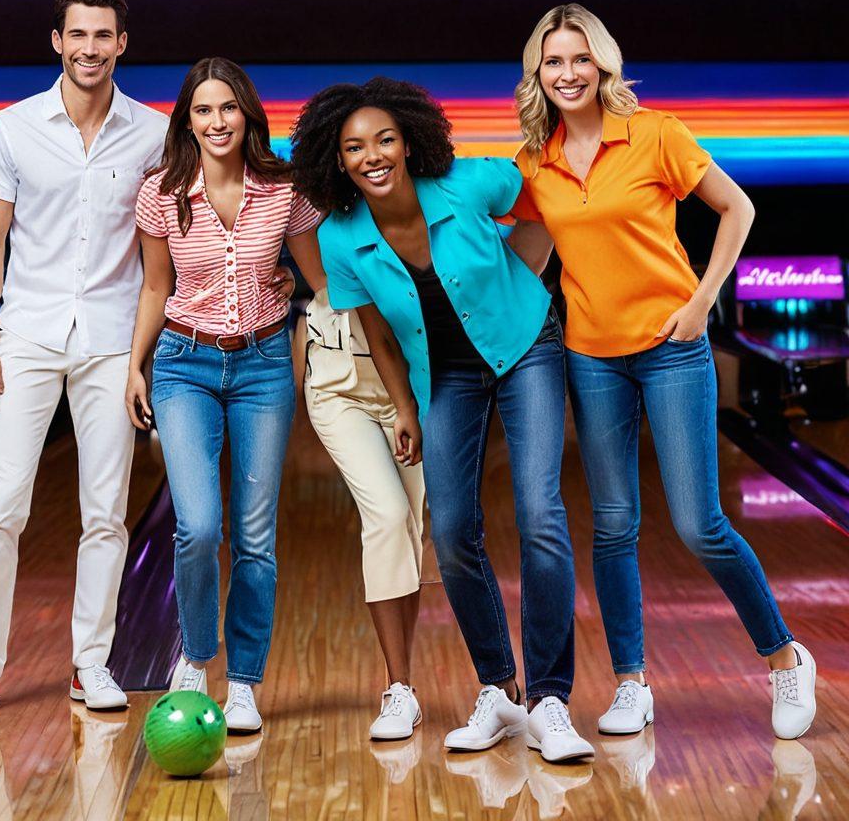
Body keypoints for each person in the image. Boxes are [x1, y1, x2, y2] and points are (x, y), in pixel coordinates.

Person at [511, 2, 817, 740]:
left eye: (580, 58)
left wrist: (702, 302)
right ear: (537, 74)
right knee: (613, 525)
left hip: (672, 347)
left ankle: (785, 658)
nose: (568, 73)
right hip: (591, 354)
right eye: (554, 62)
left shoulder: (654, 134)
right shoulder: (534, 162)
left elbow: (737, 209)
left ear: (603, 64)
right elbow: (529, 257)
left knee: (698, 523)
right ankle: (631, 684)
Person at [290, 78, 594, 763]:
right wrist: (404, 407)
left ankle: (550, 700)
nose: (373, 156)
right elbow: (376, 330)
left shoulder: (466, 183)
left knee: (539, 512)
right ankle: (499, 690)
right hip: (447, 376)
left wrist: (525, 274)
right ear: (337, 160)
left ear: (409, 143)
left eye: (385, 140)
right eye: (355, 147)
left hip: (525, 349)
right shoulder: (340, 238)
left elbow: (543, 200)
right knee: (453, 530)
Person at [0, 0, 166, 725]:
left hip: (111, 339)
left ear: (121, 43)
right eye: (78, 35)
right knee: (2, 506)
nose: (90, 49)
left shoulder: (155, 134)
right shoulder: (12, 127)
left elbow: (159, 254)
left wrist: (143, 357)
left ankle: (90, 664)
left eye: (103, 36)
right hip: (28, 335)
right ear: (57, 41)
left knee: (106, 513)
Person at [126, 57, 323, 734]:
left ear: (248, 115)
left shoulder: (283, 189)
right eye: (204, 110)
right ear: (187, 120)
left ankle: (243, 682)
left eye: (228, 108)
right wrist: (135, 366)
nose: (217, 121)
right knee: (199, 526)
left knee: (254, 537)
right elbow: (156, 286)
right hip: (184, 364)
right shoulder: (160, 192)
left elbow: (318, 277)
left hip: (265, 367)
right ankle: (195, 654)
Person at [300, 286, 426, 741]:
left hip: (413, 375)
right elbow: (324, 272)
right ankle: (398, 687)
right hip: (338, 384)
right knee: (388, 515)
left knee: (410, 528)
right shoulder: (339, 233)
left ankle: (403, 683)